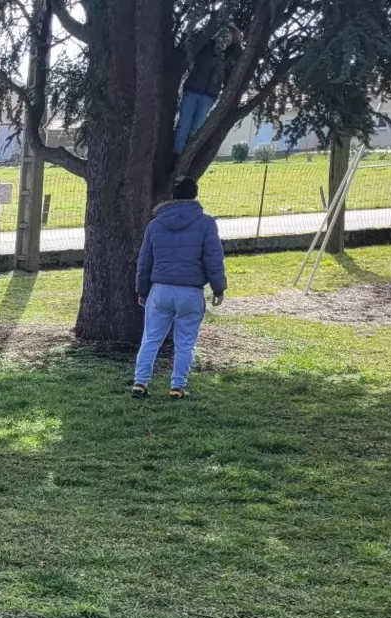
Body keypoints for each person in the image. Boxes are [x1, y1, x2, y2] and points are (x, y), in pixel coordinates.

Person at [133, 176, 226, 400]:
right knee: (185, 342)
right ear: (195, 194)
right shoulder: (206, 223)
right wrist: (218, 287)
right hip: (191, 291)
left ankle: (140, 382)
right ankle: (177, 386)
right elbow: (213, 258)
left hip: (160, 290)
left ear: (172, 196)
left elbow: (145, 261)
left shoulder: (155, 224)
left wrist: (142, 290)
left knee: (151, 338)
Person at [175, 27, 242, 154]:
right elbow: (193, 39)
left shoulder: (226, 55)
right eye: (221, 35)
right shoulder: (204, 46)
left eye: (226, 36)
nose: (222, 38)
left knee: (195, 129)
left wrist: (236, 35)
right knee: (183, 126)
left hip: (209, 96)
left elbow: (239, 53)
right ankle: (176, 155)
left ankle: (186, 157)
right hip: (192, 91)